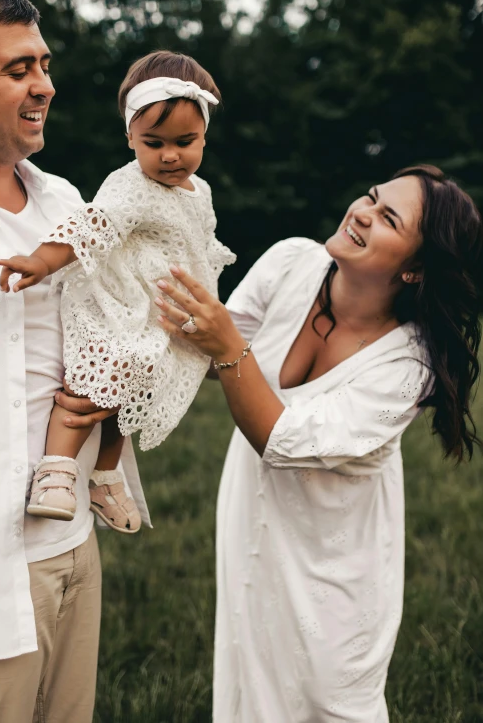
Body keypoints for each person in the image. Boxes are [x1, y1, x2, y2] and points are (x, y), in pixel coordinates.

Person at [154, 165, 482, 722]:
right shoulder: (292, 262)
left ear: (416, 270)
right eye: (372, 198)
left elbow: (278, 437)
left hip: (336, 571)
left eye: (388, 218)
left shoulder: (407, 366)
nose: (362, 212)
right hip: (257, 532)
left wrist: (227, 344)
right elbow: (220, 357)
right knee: (253, 687)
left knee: (333, 700)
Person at [0, 0, 150, 723]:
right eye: (17, 69)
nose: (44, 84)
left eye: (43, 64)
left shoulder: (69, 206)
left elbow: (121, 321)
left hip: (73, 548)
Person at [0, 50, 235, 531]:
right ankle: (57, 471)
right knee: (100, 374)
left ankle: (105, 474)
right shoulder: (130, 187)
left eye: (185, 142)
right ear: (130, 137)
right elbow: (94, 225)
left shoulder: (201, 191)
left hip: (155, 307)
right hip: (115, 301)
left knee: (131, 391)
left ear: (205, 136)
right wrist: (43, 260)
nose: (170, 155)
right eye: (154, 142)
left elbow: (200, 244)